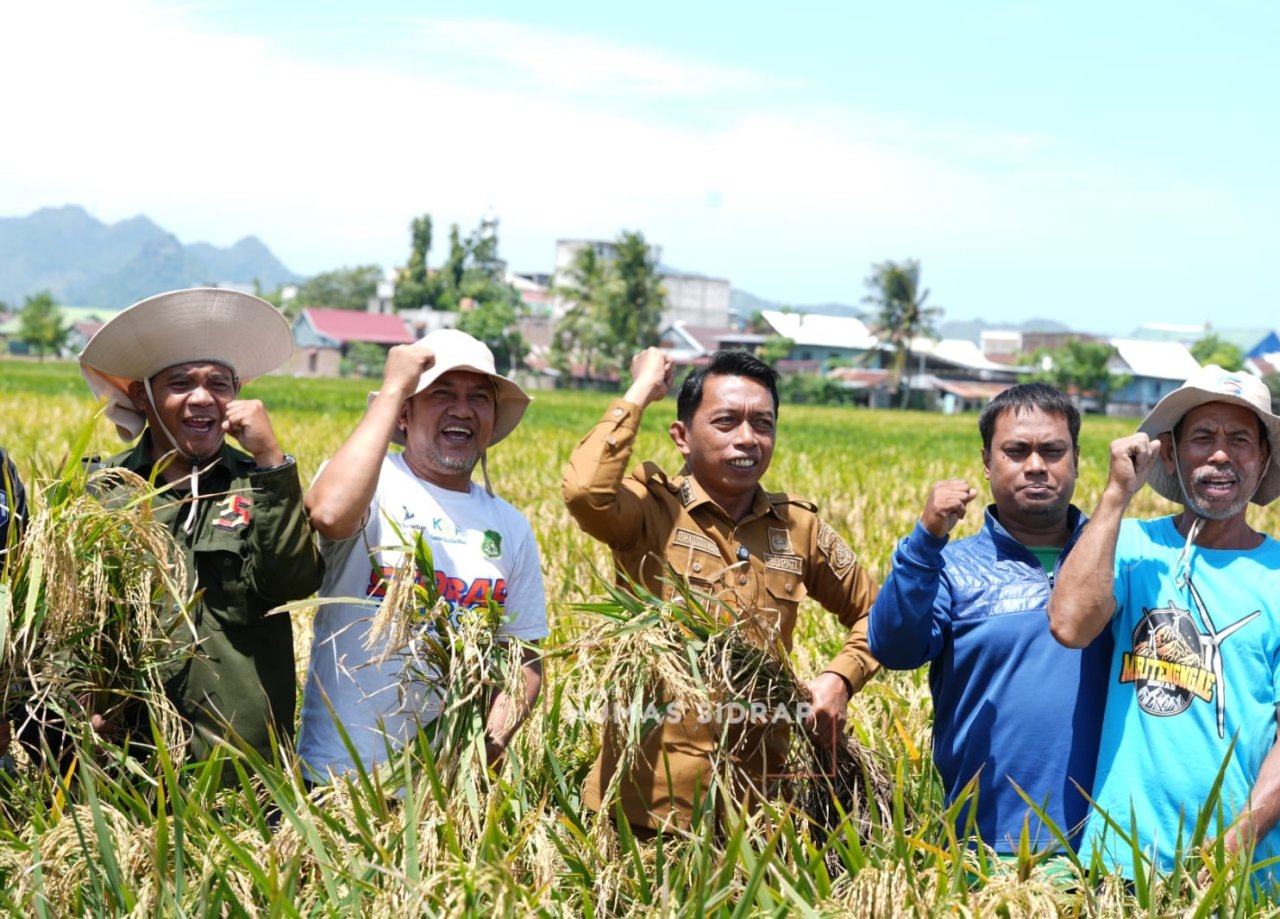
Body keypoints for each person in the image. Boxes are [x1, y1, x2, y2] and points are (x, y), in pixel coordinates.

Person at [562, 347, 879, 833]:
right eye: (726, 422)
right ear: (682, 436)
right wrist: (642, 390)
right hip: (645, 812)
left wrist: (840, 678)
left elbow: (878, 613)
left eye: (763, 424)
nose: (748, 438)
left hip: (758, 814)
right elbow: (586, 493)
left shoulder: (798, 528)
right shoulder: (650, 511)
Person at [1048, 365, 1280, 878]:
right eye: (1203, 437)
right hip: (1120, 861)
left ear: (1264, 459)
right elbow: (1069, 624)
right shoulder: (1131, 546)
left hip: (1240, 872)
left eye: (1240, 440)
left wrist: (1240, 839)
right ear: (1171, 454)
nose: (1220, 455)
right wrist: (1116, 496)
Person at [79, 287, 323, 765]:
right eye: (180, 383)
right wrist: (76, 709)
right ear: (142, 397)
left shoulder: (260, 484)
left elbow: (293, 582)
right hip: (129, 766)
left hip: (244, 772)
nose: (202, 398)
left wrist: (270, 460)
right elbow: (72, 624)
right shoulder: (104, 493)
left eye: (218, 384)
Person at [868, 383, 1110, 856]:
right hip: (986, 846)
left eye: (1053, 451)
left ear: (1077, 459)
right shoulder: (952, 568)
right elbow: (894, 649)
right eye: (1015, 452)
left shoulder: (1119, 563)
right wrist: (924, 541)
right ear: (987, 461)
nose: (1036, 465)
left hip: (1113, 848)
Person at [297, 329, 548, 781]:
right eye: (442, 393)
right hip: (340, 780)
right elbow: (329, 514)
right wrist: (394, 386)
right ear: (404, 413)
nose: (462, 410)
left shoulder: (510, 527)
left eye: (478, 397)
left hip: (446, 789)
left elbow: (523, 657)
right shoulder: (372, 485)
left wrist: (487, 746)